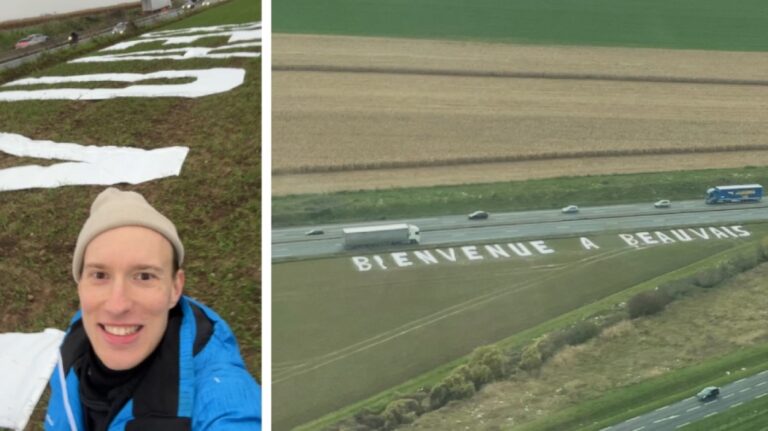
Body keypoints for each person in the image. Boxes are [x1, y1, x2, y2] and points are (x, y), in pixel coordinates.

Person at [44, 188, 261, 430]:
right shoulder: (77, 341)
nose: (117, 305)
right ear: (81, 285)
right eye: (100, 275)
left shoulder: (222, 401)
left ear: (175, 289)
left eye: (144, 276)